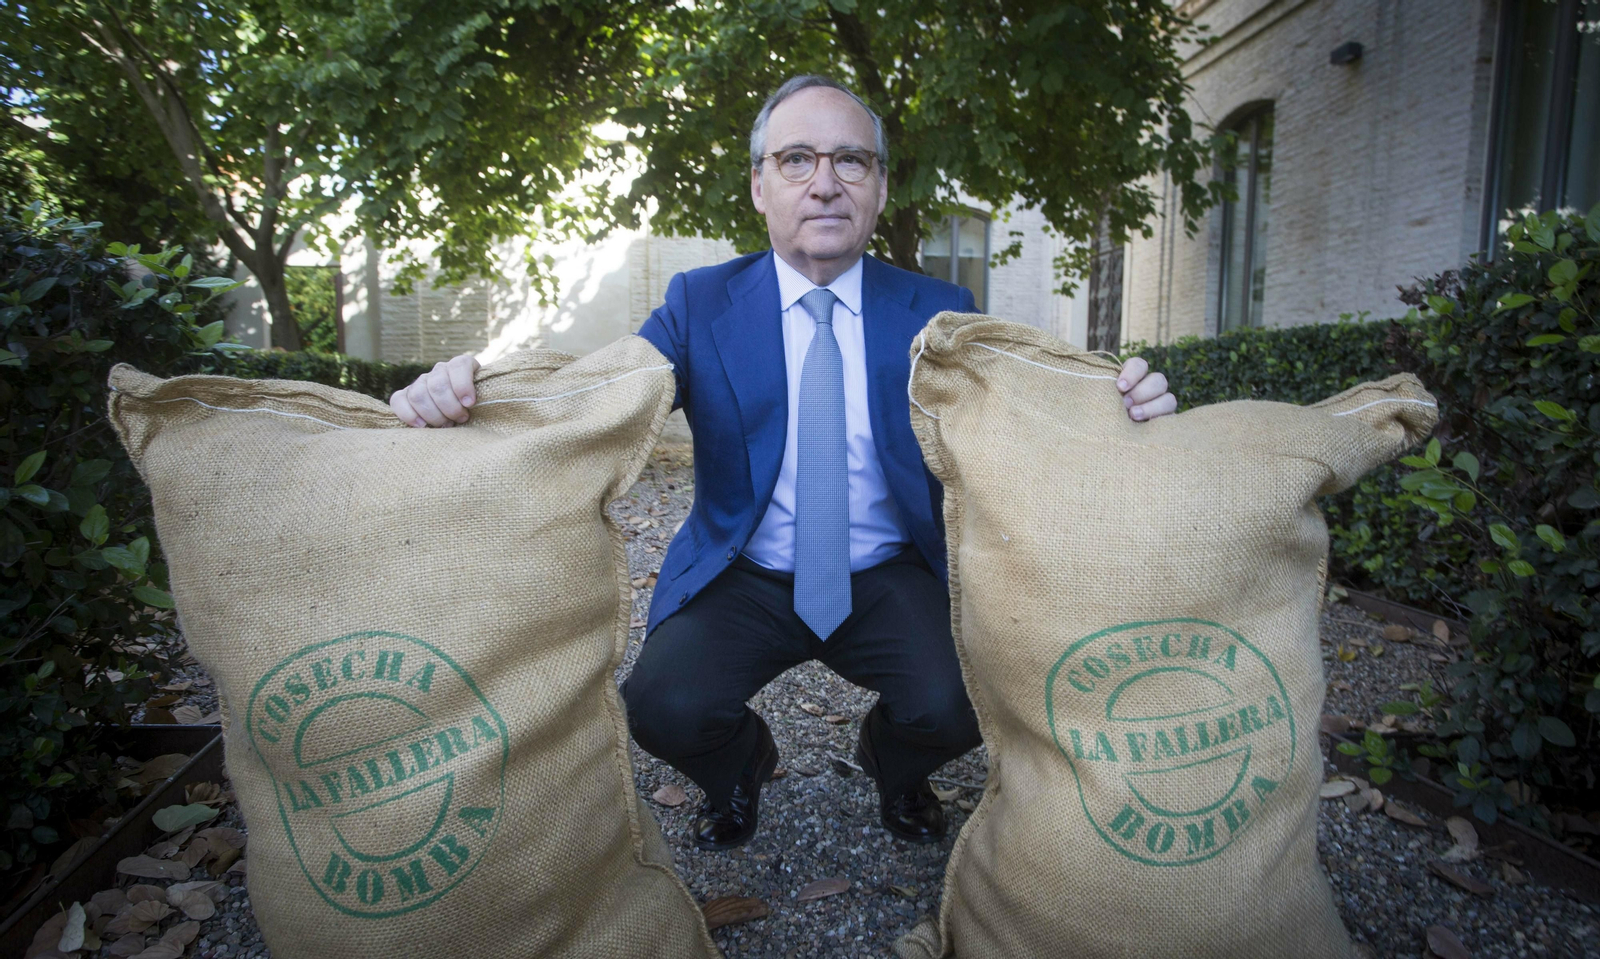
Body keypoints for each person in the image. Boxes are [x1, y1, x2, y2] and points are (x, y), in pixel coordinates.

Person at [390, 76, 1177, 851]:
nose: (825, 183)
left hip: (885, 568)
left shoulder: (936, 307)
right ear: (760, 185)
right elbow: (597, 396)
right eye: (797, 159)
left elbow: (1023, 410)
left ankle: (894, 766)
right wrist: (478, 392)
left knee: (962, 700)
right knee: (661, 706)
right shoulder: (701, 303)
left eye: (851, 161)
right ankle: (739, 769)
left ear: (880, 185)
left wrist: (1117, 401)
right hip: (748, 572)